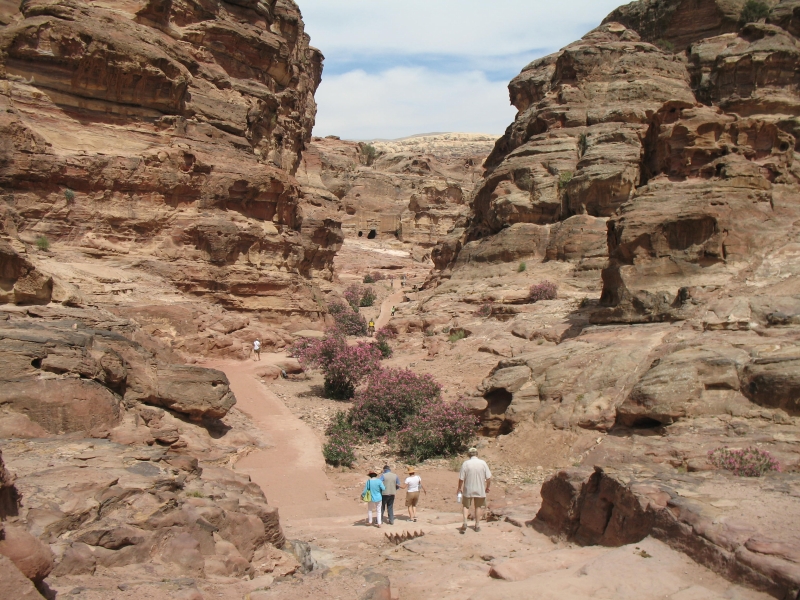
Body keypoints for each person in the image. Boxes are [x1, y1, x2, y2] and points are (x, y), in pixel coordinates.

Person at [456, 447, 492, 533]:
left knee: (466, 505)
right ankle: (477, 525)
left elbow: (461, 478)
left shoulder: (466, 463)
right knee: (478, 506)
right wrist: (487, 487)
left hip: (468, 488)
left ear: (469, 454)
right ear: (477, 454)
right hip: (480, 489)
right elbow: (489, 478)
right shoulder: (483, 463)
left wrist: (459, 488)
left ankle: (465, 522)